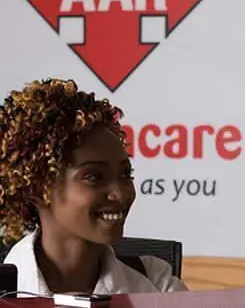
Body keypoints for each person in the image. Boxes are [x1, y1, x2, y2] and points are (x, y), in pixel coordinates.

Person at [0, 79, 187, 296]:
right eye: (94, 177)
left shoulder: (155, 284)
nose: (120, 194)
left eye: (125, 174)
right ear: (37, 189)